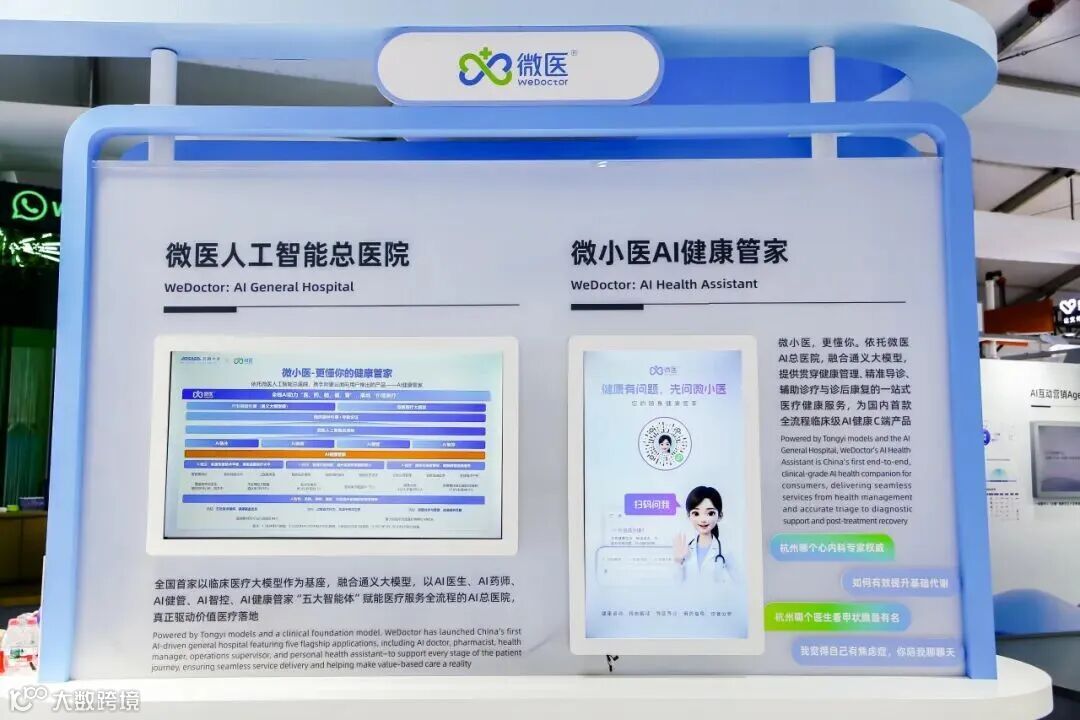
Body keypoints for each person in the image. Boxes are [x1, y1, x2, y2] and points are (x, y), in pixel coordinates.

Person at [673, 486, 731, 585]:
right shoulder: (686, 550)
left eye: (710, 513)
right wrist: (678, 562)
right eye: (696, 513)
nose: (703, 519)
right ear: (689, 516)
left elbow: (741, 583)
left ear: (720, 516)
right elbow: (677, 585)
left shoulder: (726, 551)